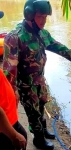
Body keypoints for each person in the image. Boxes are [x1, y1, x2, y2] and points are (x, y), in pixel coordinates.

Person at [3, 0, 71, 150]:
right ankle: (39, 139)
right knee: (33, 112)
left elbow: (56, 45)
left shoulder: (42, 33)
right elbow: (10, 69)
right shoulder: (15, 37)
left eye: (46, 17)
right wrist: (13, 90)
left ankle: (43, 130)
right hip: (26, 85)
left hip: (40, 80)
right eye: (40, 17)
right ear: (29, 15)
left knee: (42, 104)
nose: (44, 21)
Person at [0, 11, 27, 150]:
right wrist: (13, 135)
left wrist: (12, 90)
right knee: (20, 138)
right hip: (4, 127)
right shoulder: (14, 37)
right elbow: (10, 66)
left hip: (9, 117)